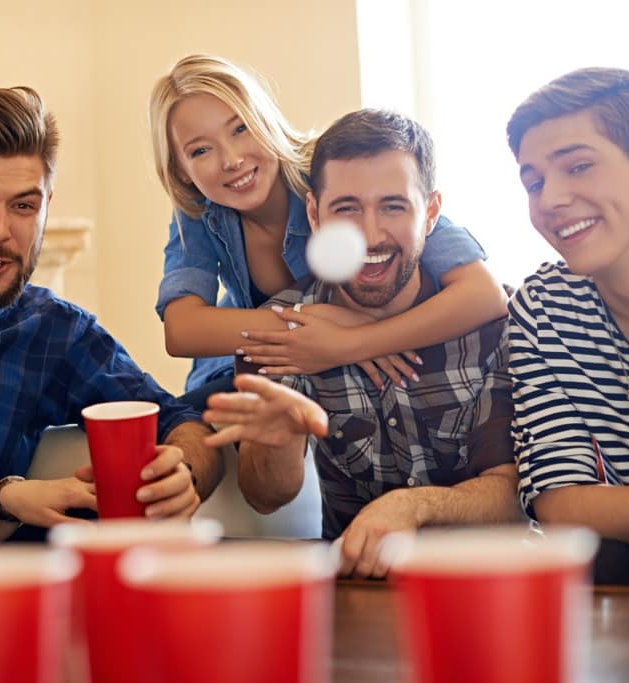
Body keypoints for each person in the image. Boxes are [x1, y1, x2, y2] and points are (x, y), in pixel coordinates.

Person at [203, 109, 522, 578]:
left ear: (431, 213)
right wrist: (279, 442)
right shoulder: (278, 331)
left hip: (487, 584)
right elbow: (265, 496)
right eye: (346, 208)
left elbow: (515, 496)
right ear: (314, 214)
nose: (369, 235)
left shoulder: (493, 324)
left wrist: (413, 507)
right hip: (358, 590)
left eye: (393, 206)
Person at [0, 86, 221, 541]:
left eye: (23, 206)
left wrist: (182, 476)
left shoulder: (55, 333)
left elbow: (180, 423)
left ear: (46, 206)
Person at [149, 54, 509, 408]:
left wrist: (355, 340)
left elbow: (484, 294)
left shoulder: (332, 175)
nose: (231, 160)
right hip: (252, 362)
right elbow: (181, 330)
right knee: (181, 426)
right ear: (181, 170)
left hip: (363, 362)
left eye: (241, 128)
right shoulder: (198, 212)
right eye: (200, 150)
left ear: (267, 120)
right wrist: (324, 323)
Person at [506, 67, 629, 585]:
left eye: (580, 166)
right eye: (534, 182)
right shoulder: (542, 310)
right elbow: (563, 506)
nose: (549, 200)